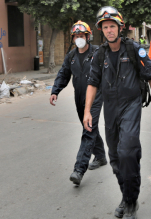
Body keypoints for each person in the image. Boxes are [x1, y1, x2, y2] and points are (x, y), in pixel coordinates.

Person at [84, 6, 151, 219]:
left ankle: (130, 202)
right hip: (110, 108)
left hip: (131, 105)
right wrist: (87, 111)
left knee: (128, 152)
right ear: (101, 30)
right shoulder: (99, 54)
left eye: (113, 26)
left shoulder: (134, 49)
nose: (109, 30)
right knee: (114, 156)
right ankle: (127, 196)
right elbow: (92, 83)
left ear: (120, 28)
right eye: (105, 27)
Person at [50, 21, 107, 186]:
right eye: (76, 36)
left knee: (88, 128)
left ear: (88, 37)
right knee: (89, 125)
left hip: (96, 95)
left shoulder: (98, 52)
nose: (79, 39)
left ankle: (79, 169)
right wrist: (55, 90)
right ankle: (101, 156)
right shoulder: (71, 56)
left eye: (82, 36)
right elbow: (63, 74)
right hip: (79, 96)